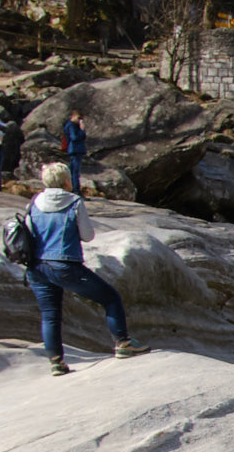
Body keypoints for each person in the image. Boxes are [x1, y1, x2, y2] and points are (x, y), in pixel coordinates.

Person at [23, 162, 145, 375]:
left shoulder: (35, 202)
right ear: (66, 180)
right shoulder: (74, 202)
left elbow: (29, 231)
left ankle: (56, 362)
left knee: (50, 314)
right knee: (110, 298)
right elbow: (88, 235)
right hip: (64, 265)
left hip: (37, 267)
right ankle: (123, 343)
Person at [62, 109, 90, 192]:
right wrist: (82, 130)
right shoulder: (71, 126)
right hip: (75, 149)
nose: (80, 121)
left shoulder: (73, 125)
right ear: (73, 116)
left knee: (72, 170)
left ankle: (71, 188)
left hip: (75, 149)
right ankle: (76, 190)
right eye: (79, 118)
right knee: (75, 171)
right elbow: (74, 137)